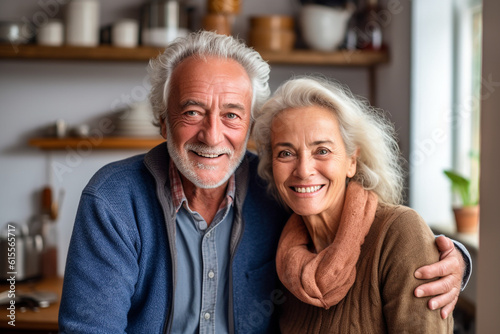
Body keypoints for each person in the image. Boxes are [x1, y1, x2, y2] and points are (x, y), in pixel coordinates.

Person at [59, 31, 470, 333]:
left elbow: (373, 233)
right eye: (192, 112)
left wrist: (455, 261)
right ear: (163, 122)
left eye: (232, 115)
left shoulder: (276, 192)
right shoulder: (113, 199)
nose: (212, 135)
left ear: (250, 128)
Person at [253, 75, 458, 333]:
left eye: (322, 151)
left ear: (352, 160)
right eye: (286, 153)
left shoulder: (399, 233)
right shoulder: (287, 259)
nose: (303, 170)